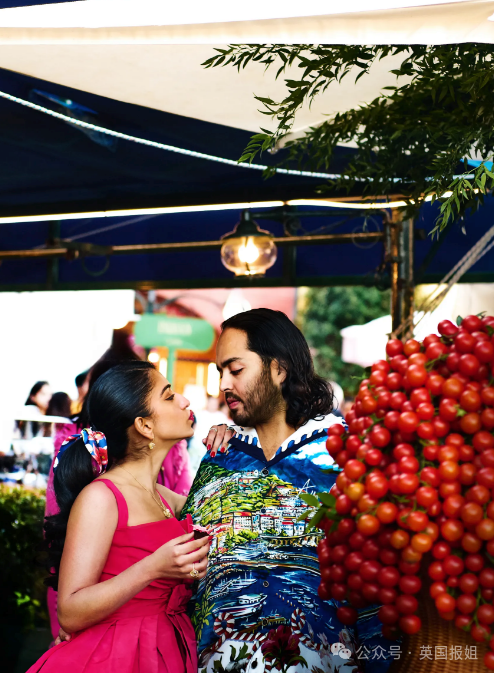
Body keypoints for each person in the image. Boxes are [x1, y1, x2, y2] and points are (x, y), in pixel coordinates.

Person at [181, 309, 390, 673]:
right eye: (220, 373)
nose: (224, 385)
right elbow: (186, 571)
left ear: (278, 368)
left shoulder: (345, 454)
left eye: (236, 369)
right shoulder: (217, 460)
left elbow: (376, 578)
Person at [29, 360, 209, 673]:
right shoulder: (102, 497)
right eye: (168, 396)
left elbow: (224, 510)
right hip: (115, 656)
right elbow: (69, 611)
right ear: (144, 425)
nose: (184, 401)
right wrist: (153, 567)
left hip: (166, 647)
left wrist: (233, 448)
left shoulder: (164, 497)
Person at [187, 395, 230, 477]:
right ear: (208, 403)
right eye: (212, 403)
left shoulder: (221, 416)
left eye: (215, 403)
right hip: (199, 443)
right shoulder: (200, 414)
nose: (213, 405)